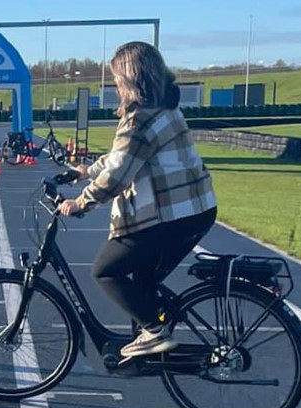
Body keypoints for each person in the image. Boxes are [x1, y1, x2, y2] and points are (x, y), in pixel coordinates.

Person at [58, 41, 218, 358]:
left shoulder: (139, 119)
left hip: (171, 216)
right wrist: (88, 170)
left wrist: (80, 203)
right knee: (142, 281)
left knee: (106, 270)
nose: (116, 88)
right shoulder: (168, 109)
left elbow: (118, 174)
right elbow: (126, 156)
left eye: (117, 80)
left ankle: (156, 331)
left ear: (131, 80)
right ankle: (155, 342)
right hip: (197, 210)